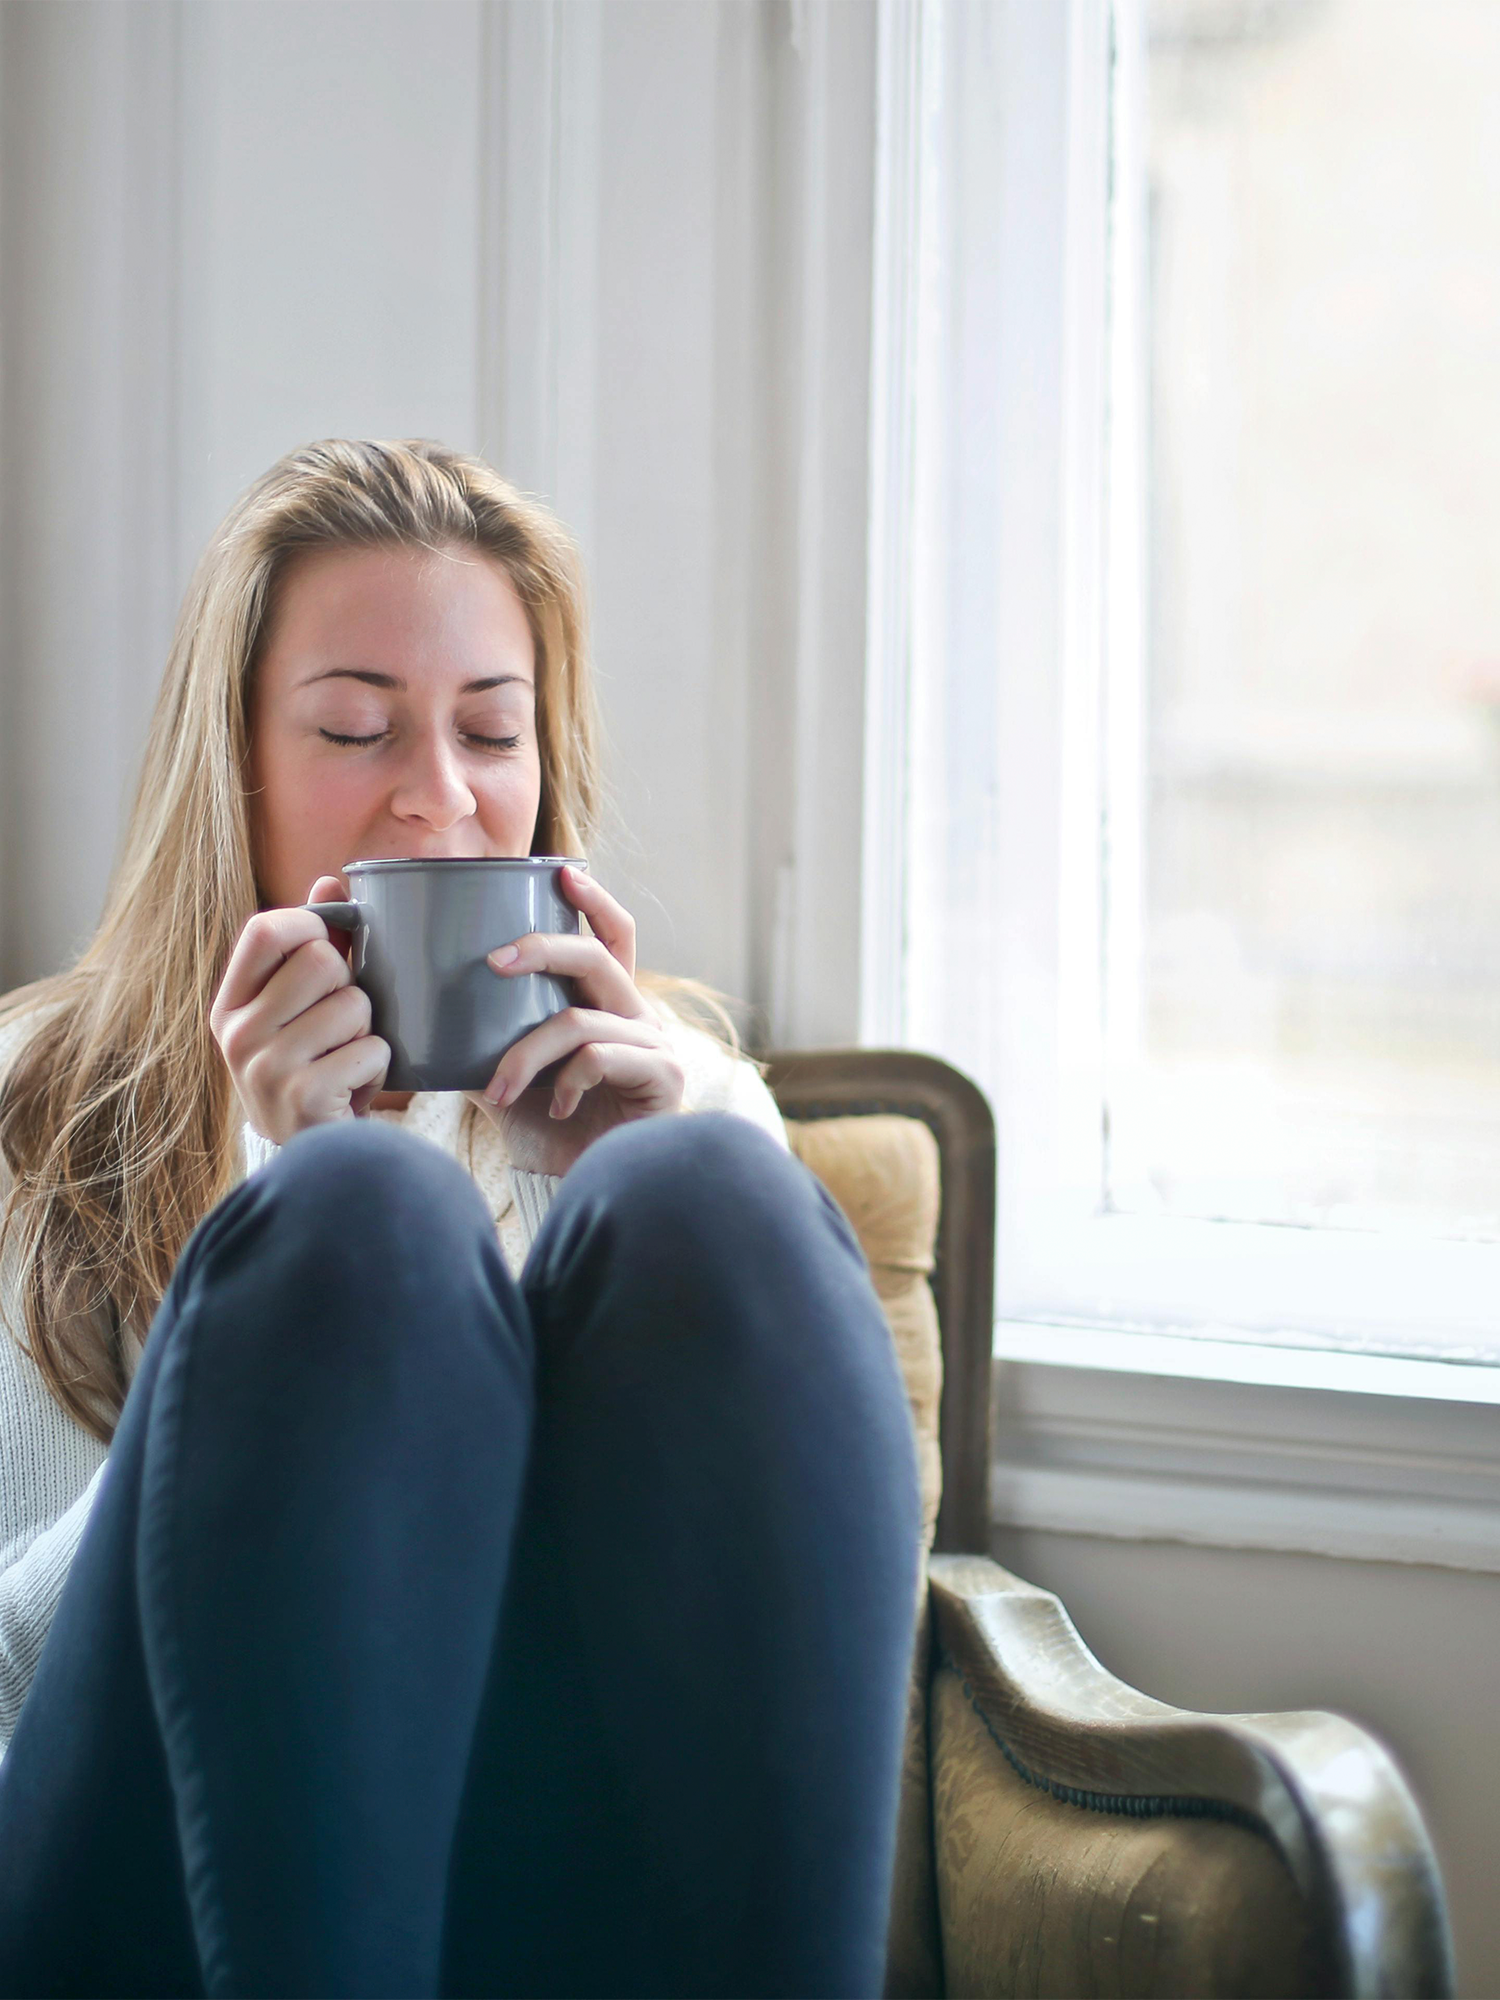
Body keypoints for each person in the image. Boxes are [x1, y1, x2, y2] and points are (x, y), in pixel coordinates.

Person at [0, 439, 922, 1999]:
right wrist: (271, 1215)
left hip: (566, 1872)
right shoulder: (33, 1100)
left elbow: (805, 1666)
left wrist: (587, 1205)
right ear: (233, 765)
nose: (441, 800)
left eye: (493, 732)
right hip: (147, 1874)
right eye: (357, 730)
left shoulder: (688, 1099)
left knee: (703, 1191)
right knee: (359, 1215)